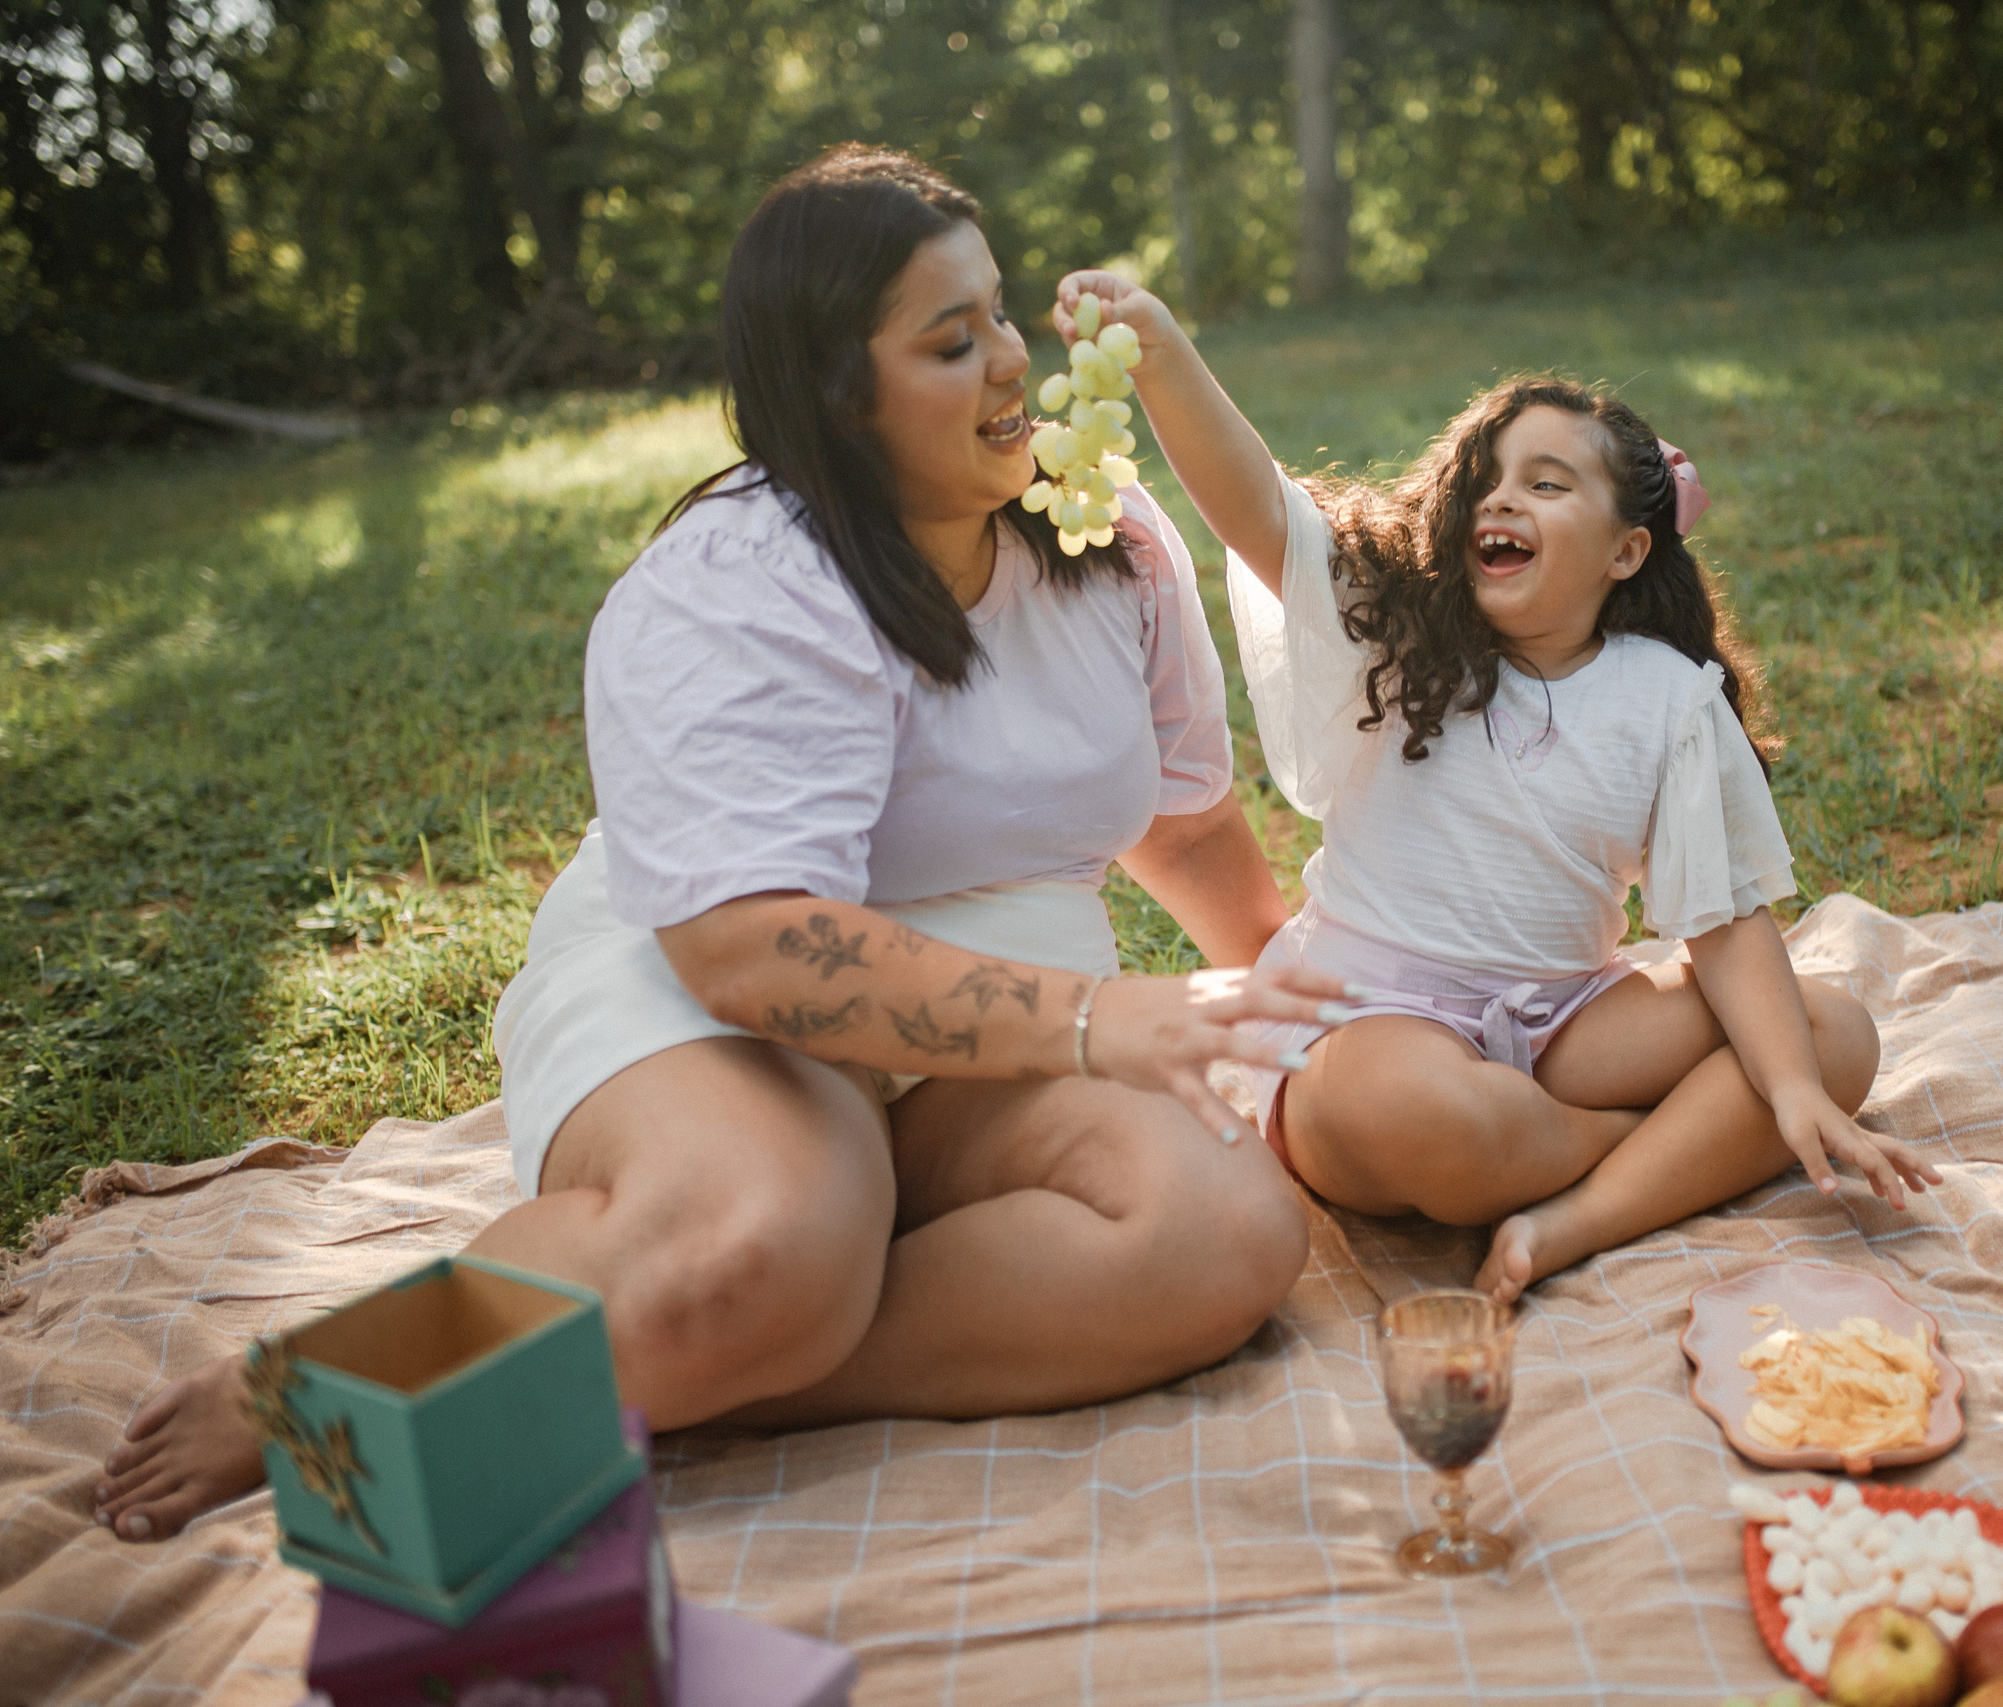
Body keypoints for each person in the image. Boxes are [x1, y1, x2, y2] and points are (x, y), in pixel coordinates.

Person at [90, 146, 1354, 1543]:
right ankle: (349, 1387)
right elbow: (750, 952)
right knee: (756, 1245)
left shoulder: (1105, 535)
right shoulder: (735, 581)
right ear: (834, 393)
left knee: (1220, 1231)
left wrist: (1310, 1004)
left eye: (999, 313)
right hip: (716, 997)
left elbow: (1183, 822)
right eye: (951, 341)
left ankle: (701, 1368)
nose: (1012, 360)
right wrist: (1097, 1019)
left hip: (980, 1036)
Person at [1044, 270, 1940, 1306]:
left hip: (1566, 1024)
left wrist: (1787, 1087)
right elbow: (1253, 502)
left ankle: (1575, 1216)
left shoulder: (1668, 700)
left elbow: (1728, 924)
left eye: (1547, 485)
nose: (1502, 499)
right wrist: (1159, 350)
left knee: (1831, 1040)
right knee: (1419, 1113)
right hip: (1368, 1024)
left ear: (1626, 550)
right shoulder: (1398, 625)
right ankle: (1655, 1143)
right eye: (1486, 480)